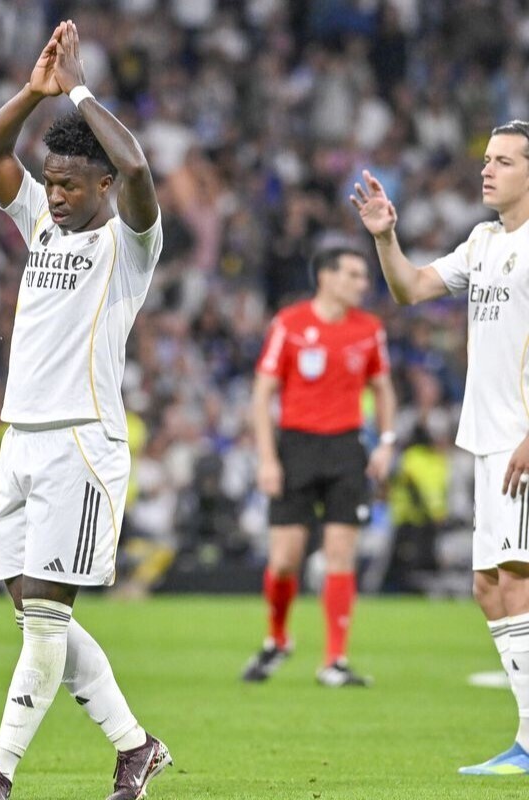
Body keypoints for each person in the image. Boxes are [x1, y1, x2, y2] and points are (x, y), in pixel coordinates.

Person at [0, 21, 168, 800]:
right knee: (32, 616)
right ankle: (136, 747)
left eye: (71, 185)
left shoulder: (129, 246)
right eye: (50, 181)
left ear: (103, 187)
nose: (54, 194)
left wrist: (80, 86)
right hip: (19, 440)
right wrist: (34, 91)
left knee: (47, 618)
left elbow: (139, 164)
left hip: (81, 443)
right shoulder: (41, 226)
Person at [352, 120, 529, 775]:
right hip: (486, 440)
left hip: (520, 440)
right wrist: (385, 237)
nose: (487, 170)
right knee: (488, 587)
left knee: (517, 581)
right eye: (487, 159)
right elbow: (411, 289)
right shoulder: (483, 241)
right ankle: (526, 739)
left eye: (504, 161)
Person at [241, 247, 396, 687]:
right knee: (284, 560)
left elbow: (383, 388)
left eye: (363, 276)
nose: (363, 284)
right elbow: (261, 395)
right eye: (354, 274)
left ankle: (335, 661)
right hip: (296, 447)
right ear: (326, 277)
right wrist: (267, 459)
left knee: (340, 554)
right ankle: (277, 639)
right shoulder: (289, 324)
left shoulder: (369, 329)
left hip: (347, 448)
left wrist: (386, 442)